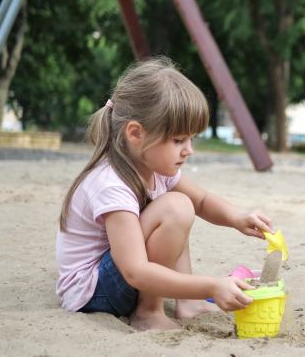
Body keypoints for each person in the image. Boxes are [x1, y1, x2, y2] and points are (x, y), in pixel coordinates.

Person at [56, 57, 274, 330]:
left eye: (191, 139)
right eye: (178, 140)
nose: (189, 150)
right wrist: (211, 286)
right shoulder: (111, 184)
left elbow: (203, 201)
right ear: (136, 133)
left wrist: (238, 218)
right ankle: (148, 312)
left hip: (120, 275)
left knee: (179, 205)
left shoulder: (156, 167)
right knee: (175, 208)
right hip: (94, 293)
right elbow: (135, 271)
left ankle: (187, 304)